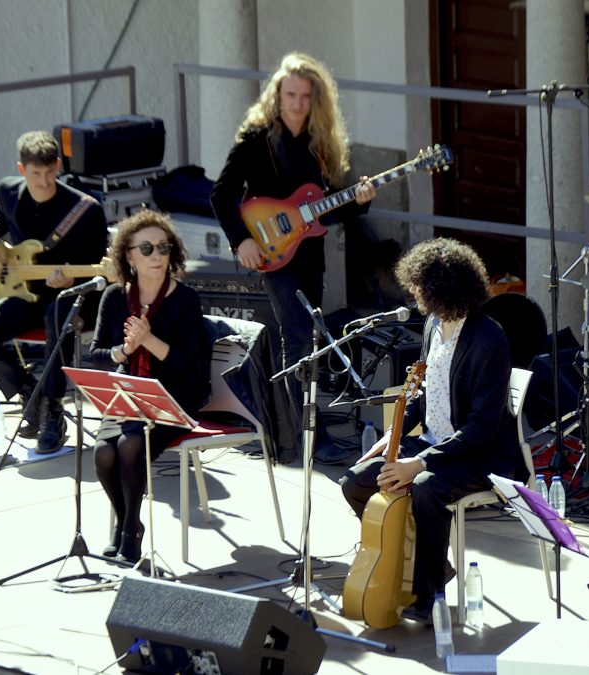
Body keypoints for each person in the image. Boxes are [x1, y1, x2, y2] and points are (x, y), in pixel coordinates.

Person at [339, 238, 526, 624]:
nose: (414, 292)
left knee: (425, 487)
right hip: (429, 444)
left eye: (420, 285)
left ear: (443, 287)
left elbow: (481, 428)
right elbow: (419, 395)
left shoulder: (489, 339)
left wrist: (417, 462)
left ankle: (430, 594)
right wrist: (389, 442)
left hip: (477, 454)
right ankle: (417, 561)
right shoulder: (431, 325)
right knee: (356, 481)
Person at [210, 52, 376, 465]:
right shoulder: (256, 139)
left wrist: (358, 202)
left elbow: (324, 211)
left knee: (308, 341)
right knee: (298, 338)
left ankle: (298, 435)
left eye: (304, 96)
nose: (297, 103)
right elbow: (221, 194)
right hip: (270, 254)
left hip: (309, 256)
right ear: (277, 95)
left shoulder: (321, 145)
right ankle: (298, 439)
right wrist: (240, 241)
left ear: (315, 99)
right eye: (290, 94)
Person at [0, 130, 108, 454]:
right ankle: (32, 395)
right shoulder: (8, 191)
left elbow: (98, 267)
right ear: (21, 170)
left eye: (49, 173)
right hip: (25, 290)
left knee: (57, 314)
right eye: (36, 174)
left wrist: (70, 281)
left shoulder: (85, 208)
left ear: (57, 166)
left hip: (73, 295)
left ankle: (53, 410)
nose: (43, 182)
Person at [88, 210, 210, 562]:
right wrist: (124, 350)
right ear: (128, 255)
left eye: (163, 247)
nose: (156, 256)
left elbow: (194, 367)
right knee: (103, 453)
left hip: (174, 398)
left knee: (128, 445)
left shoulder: (185, 300)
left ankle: (128, 529)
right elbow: (96, 355)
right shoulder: (113, 298)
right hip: (127, 398)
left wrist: (149, 340)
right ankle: (127, 522)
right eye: (146, 249)